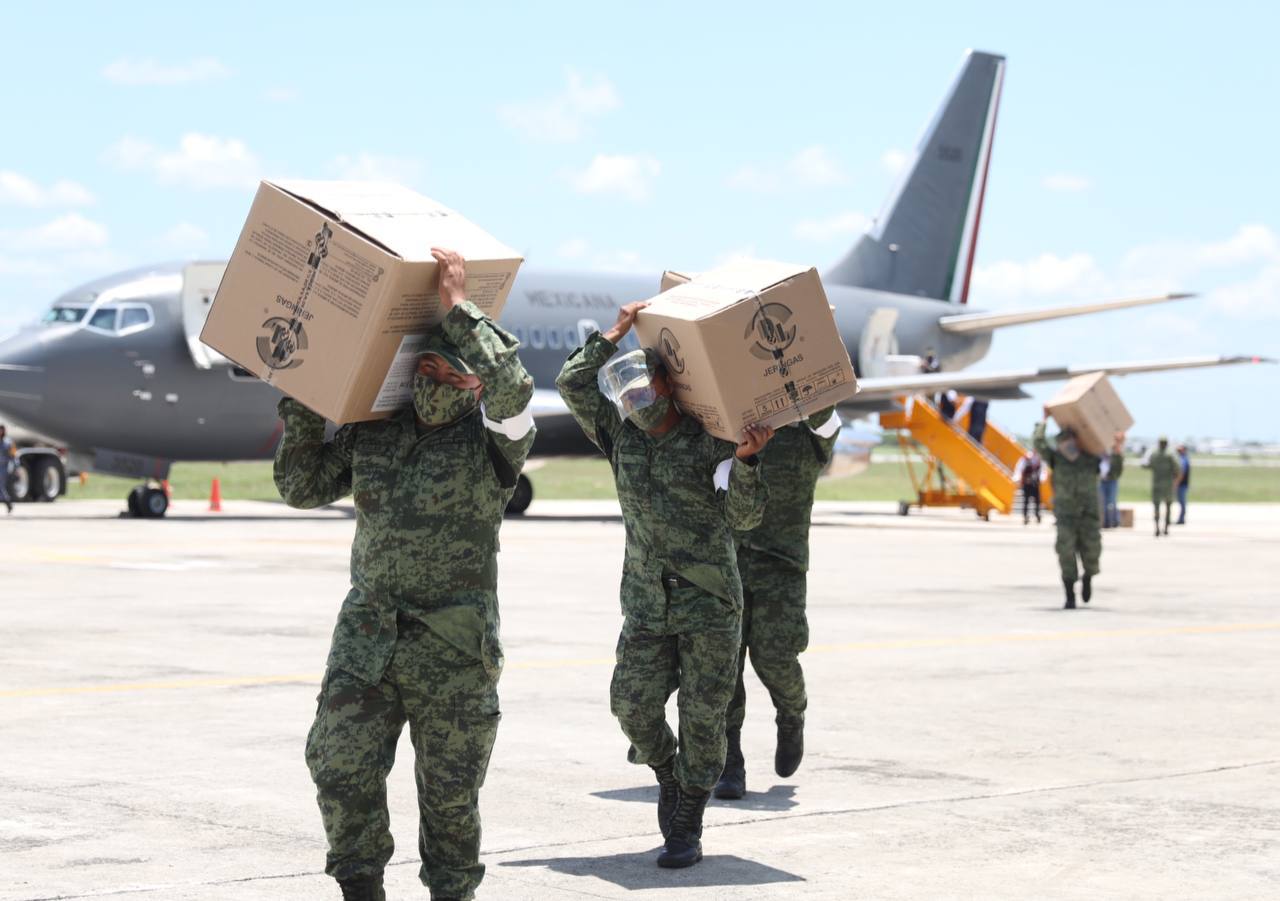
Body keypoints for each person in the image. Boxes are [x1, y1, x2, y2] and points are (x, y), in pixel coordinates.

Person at [274, 249, 535, 901]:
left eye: (450, 370)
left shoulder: (495, 444)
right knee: (336, 762)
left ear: (474, 384)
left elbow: (515, 388)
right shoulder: (375, 434)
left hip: (453, 649)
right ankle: (360, 887)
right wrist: (302, 399)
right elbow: (301, 486)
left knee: (450, 801)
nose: (435, 378)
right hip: (367, 639)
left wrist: (459, 308)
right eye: (426, 366)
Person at [556, 301, 773, 869]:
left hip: (708, 603)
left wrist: (748, 463)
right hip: (647, 602)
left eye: (644, 389)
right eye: (627, 393)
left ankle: (688, 819)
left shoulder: (712, 442)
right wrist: (616, 332)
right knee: (630, 705)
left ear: (668, 388)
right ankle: (665, 772)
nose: (635, 401)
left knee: (704, 718)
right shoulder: (620, 436)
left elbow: (745, 518)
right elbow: (572, 383)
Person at [714, 406, 841, 801]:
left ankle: (791, 713)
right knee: (724, 665)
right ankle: (729, 761)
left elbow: (829, 418)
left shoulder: (811, 436)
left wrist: (800, 389)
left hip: (781, 565)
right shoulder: (728, 434)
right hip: (728, 562)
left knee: (775, 657)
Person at [1033, 410, 1119, 609]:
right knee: (1066, 553)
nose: (1066, 446)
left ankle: (1088, 577)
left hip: (1089, 516)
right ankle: (1069, 593)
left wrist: (1117, 449)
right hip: (1066, 516)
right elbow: (1039, 443)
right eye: (1063, 442)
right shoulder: (1056, 459)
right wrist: (1043, 420)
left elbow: (1112, 472)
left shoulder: (1091, 460)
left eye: (1069, 442)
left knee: (1092, 553)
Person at [1144, 436, 1177, 537]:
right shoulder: (1170, 455)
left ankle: (1157, 528)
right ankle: (1166, 528)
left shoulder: (1155, 454)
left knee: (1157, 507)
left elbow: (1147, 465)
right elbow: (1177, 468)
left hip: (1157, 485)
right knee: (1168, 507)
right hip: (1168, 485)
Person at [1099, 431, 1126, 529]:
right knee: (1103, 501)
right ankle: (1105, 522)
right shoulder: (1100, 452)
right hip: (1102, 480)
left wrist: (1118, 443)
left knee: (1111, 501)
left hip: (1111, 480)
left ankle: (1113, 521)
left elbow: (1119, 466)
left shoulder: (1116, 453)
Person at [1013, 449, 1043, 525]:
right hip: (1027, 483)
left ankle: (1037, 514)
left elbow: (1042, 471)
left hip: (1035, 483)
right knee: (1026, 500)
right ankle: (1025, 516)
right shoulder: (1025, 459)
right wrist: (1017, 479)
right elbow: (1019, 469)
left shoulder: (1039, 459)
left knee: (1037, 501)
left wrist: (1041, 479)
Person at [1176, 443, 1191, 524]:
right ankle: (1181, 518)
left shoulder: (1183, 459)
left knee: (1182, 502)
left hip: (1181, 484)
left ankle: (1181, 519)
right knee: (1181, 502)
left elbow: (1182, 473)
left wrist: (1176, 483)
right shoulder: (1183, 458)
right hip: (1182, 484)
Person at [0, 424, 14, 514]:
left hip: (3, 467)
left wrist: (14, 466)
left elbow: (13, 455)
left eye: (1, 430)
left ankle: (8, 502)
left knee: (1, 487)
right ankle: (8, 503)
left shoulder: (8, 442)